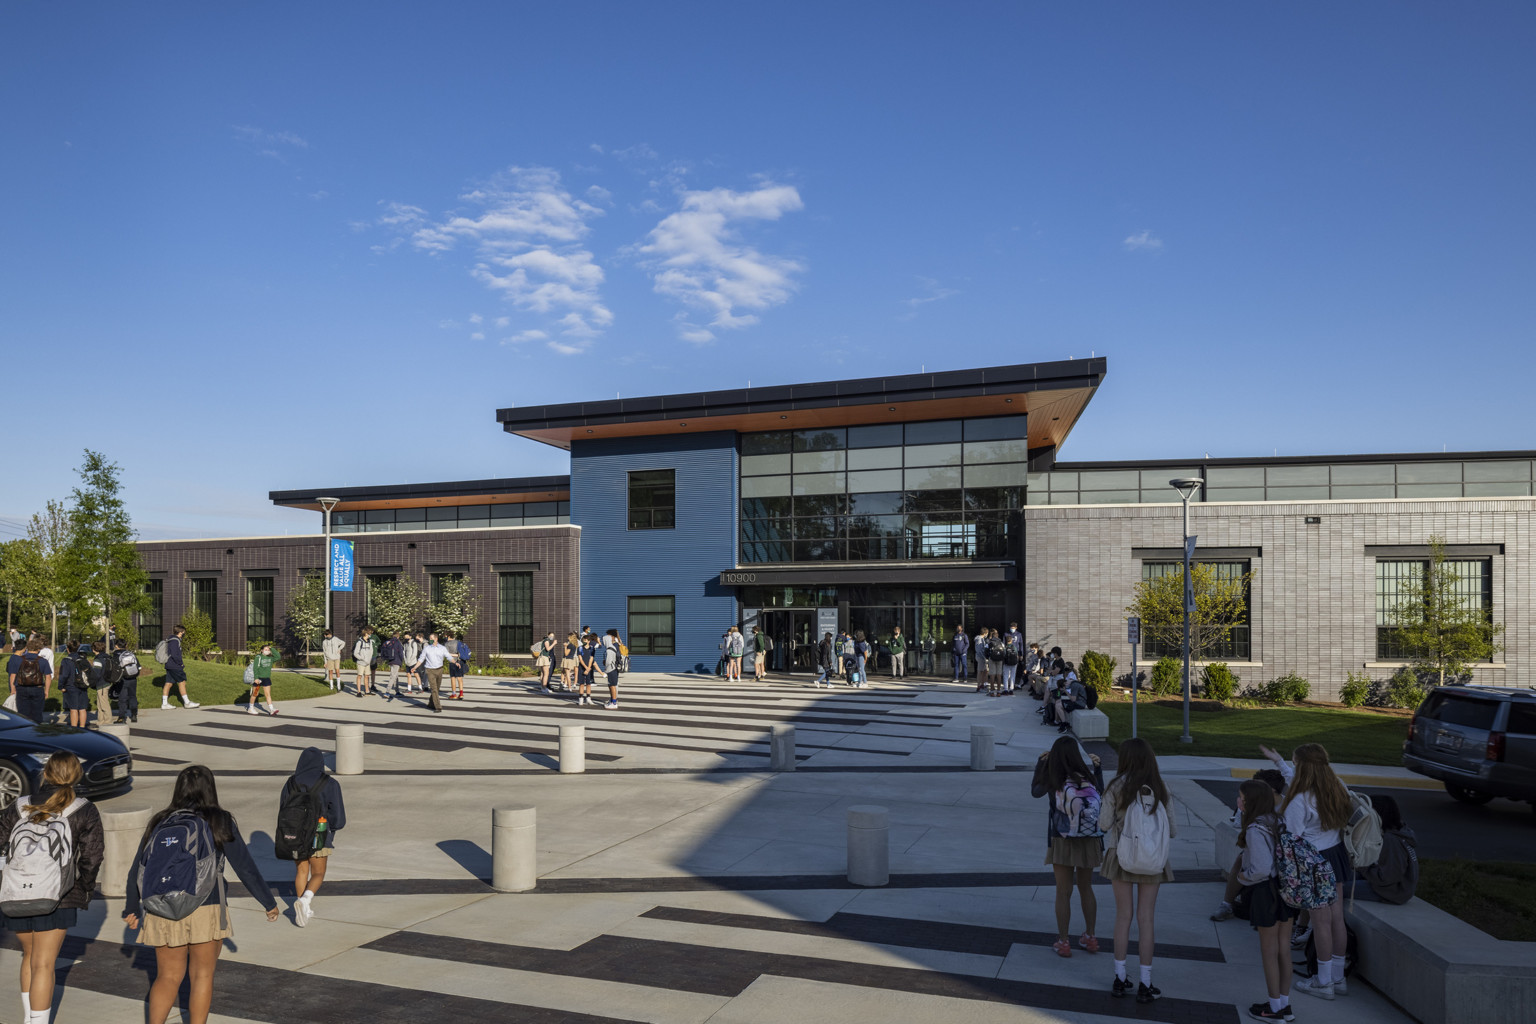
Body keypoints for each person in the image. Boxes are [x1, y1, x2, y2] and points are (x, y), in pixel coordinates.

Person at [124, 765, 280, 1024]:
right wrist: (268, 902)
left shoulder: (160, 821)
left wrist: (131, 906)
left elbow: (137, 869)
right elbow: (244, 866)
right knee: (202, 977)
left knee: (167, 977)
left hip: (161, 907)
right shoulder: (219, 820)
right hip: (206, 906)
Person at [0, 751, 104, 1024]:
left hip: (17, 892)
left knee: (30, 956)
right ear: (76, 775)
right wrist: (84, 888)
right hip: (59, 895)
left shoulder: (19, 804)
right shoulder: (84, 808)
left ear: (46, 773)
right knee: (44, 964)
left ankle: (28, 1018)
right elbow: (92, 856)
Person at [1098, 736, 1176, 1004]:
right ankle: (1146, 982)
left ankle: (1120, 978)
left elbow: (1104, 824)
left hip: (1120, 856)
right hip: (1153, 860)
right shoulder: (1160, 787)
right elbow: (1172, 830)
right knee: (1146, 919)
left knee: (1123, 917)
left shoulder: (1115, 786)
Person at [1279, 743, 1354, 1001]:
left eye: (1294, 764)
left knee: (1320, 923)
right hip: (1336, 855)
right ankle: (1338, 977)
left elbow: (1292, 840)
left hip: (1313, 862)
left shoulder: (1299, 801)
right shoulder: (1338, 787)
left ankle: (1323, 983)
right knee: (1336, 920)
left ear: (1302, 768)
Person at [1230, 779, 1298, 1022]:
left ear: (1251, 801)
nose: (1238, 801)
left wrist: (1241, 876)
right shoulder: (1278, 821)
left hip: (1265, 892)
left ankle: (1273, 1008)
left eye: (1241, 797)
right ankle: (1284, 1005)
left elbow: (1260, 868)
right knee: (1283, 951)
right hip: (1285, 891)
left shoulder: (1254, 830)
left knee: (1268, 952)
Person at [1032, 736, 1104, 959]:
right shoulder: (1088, 776)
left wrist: (1040, 765)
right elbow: (1100, 792)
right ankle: (1090, 937)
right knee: (1086, 888)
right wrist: (1098, 768)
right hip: (1089, 839)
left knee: (1063, 891)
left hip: (1062, 838)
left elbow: (1035, 791)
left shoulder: (1054, 778)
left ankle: (1063, 942)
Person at [280, 747, 346, 927]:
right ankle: (305, 901)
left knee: (301, 871)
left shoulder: (291, 782)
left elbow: (283, 807)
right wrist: (334, 828)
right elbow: (338, 816)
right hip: (320, 833)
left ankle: (303, 911)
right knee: (318, 873)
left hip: (294, 834)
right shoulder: (330, 783)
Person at [1211, 767, 1288, 921]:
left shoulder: (1287, 808)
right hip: (1266, 861)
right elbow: (1239, 824)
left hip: (1277, 864)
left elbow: (1262, 868)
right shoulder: (1254, 810)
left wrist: (1245, 876)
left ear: (1270, 791)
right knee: (1241, 858)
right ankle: (1227, 904)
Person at [1354, 794, 1417, 904]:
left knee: (1337, 889)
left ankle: (1336, 921)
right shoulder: (1398, 830)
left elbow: (1388, 877)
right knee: (1341, 878)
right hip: (1390, 886)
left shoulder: (1391, 840)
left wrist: (1362, 867)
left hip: (1392, 892)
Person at [6, 637, 50, 724]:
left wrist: (13, 688)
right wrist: (46, 691)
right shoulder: (43, 661)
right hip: (37, 688)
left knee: (22, 714)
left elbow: (13, 675)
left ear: (27, 648)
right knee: (37, 713)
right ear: (39, 649)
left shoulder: (19, 659)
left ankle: (24, 731)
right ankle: (36, 731)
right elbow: (48, 677)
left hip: (22, 688)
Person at [161, 625, 199, 709]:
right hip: (175, 665)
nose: (184, 634)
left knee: (168, 683)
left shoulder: (170, 639)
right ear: (180, 632)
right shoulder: (175, 641)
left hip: (169, 665)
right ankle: (187, 703)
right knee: (182, 682)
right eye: (183, 632)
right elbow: (175, 655)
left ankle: (164, 704)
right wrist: (180, 663)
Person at [60, 642, 91, 728]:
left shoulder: (66, 660)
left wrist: (61, 686)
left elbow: (64, 675)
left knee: (73, 708)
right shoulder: (83, 659)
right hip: (83, 685)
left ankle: (74, 728)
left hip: (71, 686)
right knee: (82, 708)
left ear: (68, 649)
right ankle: (82, 727)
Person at [112, 638, 143, 723]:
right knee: (132, 696)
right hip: (133, 678)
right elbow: (139, 667)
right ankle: (134, 715)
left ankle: (121, 717)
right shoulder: (130, 654)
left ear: (116, 646)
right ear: (126, 645)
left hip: (122, 679)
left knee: (122, 698)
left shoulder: (115, 655)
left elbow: (114, 669)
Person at [246, 642, 279, 716]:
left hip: (266, 678)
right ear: (261, 650)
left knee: (268, 694)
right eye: (265, 649)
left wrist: (272, 649)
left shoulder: (270, 658)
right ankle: (250, 708)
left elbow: (278, 657)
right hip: (259, 679)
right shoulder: (259, 657)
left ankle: (271, 709)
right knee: (255, 694)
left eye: (268, 649)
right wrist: (256, 678)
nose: (267, 651)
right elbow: (255, 668)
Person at [419, 633, 448, 713]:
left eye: (431, 638)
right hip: (430, 670)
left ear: (436, 639)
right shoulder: (427, 648)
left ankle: (431, 703)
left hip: (439, 669)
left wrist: (455, 662)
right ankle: (438, 707)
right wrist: (415, 667)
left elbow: (448, 656)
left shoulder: (442, 648)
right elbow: (421, 658)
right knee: (434, 688)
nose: (430, 640)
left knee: (437, 689)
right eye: (429, 638)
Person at [90, 639, 112, 726]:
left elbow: (96, 673)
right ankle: (100, 720)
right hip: (107, 682)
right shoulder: (107, 657)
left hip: (101, 683)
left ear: (94, 649)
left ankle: (107, 721)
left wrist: (91, 680)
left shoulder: (98, 660)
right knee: (100, 703)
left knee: (104, 704)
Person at [352, 627, 376, 698]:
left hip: (367, 663)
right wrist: (362, 658)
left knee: (367, 676)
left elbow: (371, 651)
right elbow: (355, 653)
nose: (370, 635)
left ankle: (367, 691)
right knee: (360, 676)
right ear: (365, 633)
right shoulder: (360, 642)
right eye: (369, 634)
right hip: (361, 663)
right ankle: (358, 692)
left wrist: (369, 659)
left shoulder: (370, 641)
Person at [602, 628, 623, 709]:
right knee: (613, 684)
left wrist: (605, 670)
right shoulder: (617, 644)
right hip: (615, 667)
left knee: (612, 685)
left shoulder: (611, 648)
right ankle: (613, 700)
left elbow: (609, 661)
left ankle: (614, 702)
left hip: (611, 668)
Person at [574, 633, 597, 706]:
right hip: (581, 668)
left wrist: (588, 668)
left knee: (588, 684)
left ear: (589, 641)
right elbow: (580, 659)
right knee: (581, 684)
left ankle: (588, 698)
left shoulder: (592, 648)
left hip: (589, 668)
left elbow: (591, 658)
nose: (584, 641)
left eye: (585, 640)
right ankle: (580, 698)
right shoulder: (580, 648)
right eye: (583, 640)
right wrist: (585, 667)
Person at [380, 631, 404, 700]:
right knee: (393, 677)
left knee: (395, 676)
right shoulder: (398, 642)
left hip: (391, 661)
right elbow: (401, 653)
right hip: (397, 661)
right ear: (398, 636)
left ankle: (397, 691)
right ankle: (387, 692)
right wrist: (401, 661)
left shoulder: (388, 642)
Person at [448, 632, 469, 700]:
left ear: (448, 636)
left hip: (453, 662)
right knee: (460, 678)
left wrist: (453, 655)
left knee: (453, 678)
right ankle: (461, 693)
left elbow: (446, 654)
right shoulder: (459, 643)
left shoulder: (447, 644)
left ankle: (454, 694)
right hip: (461, 661)